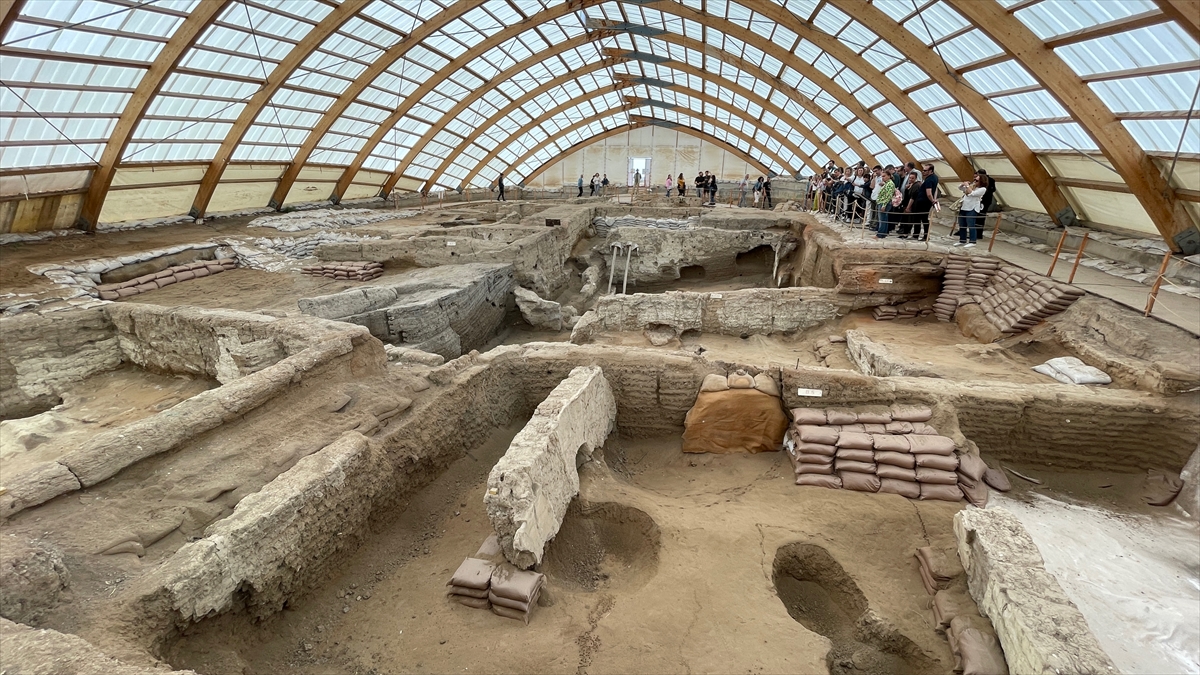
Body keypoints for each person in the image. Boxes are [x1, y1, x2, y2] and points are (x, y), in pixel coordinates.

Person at [955, 176, 987, 248]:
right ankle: (962, 240)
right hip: (964, 207)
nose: (975, 181)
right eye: (974, 179)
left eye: (977, 180)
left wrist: (967, 186)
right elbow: (960, 188)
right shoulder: (972, 186)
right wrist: (963, 184)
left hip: (972, 208)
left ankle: (972, 241)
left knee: (971, 225)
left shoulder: (982, 189)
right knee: (962, 225)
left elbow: (973, 193)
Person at [912, 164, 939, 241]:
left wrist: (932, 200)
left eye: (925, 170)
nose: (923, 172)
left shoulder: (929, 180)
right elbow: (935, 189)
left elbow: (929, 193)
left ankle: (918, 235)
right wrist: (934, 199)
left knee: (919, 218)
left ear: (930, 171)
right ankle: (925, 235)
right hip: (926, 201)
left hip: (923, 201)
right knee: (924, 218)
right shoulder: (935, 177)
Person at [874, 168, 896, 238]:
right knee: (884, 219)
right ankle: (883, 233)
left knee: (882, 219)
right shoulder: (887, 183)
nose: (883, 178)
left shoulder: (890, 184)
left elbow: (888, 196)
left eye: (884, 176)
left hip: (884, 203)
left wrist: (884, 205)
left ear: (889, 176)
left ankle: (880, 234)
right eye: (882, 176)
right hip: (882, 202)